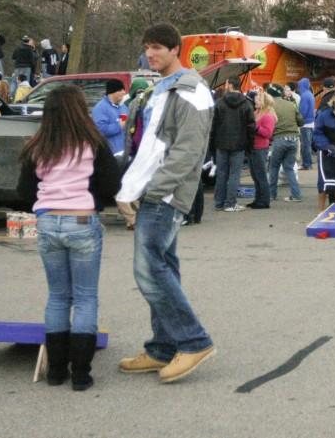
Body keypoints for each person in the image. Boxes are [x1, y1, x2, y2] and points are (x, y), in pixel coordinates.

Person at [115, 23, 216, 383]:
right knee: (163, 269)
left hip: (166, 194)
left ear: (176, 50)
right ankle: (162, 348)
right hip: (154, 191)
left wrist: (156, 189)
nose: (150, 53)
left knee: (149, 271)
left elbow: (188, 151)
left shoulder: (191, 91)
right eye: (147, 47)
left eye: (158, 47)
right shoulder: (163, 88)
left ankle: (194, 341)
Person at [17, 85, 122, 390]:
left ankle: (56, 371)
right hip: (82, 219)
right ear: (80, 110)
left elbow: (24, 192)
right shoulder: (93, 143)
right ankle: (81, 374)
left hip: (48, 220)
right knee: (86, 297)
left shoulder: (37, 145)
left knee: (58, 297)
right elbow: (111, 184)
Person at [210, 77, 255, 212]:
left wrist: (212, 144)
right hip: (239, 143)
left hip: (221, 143)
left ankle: (219, 203)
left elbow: (213, 125)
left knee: (222, 173)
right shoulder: (246, 103)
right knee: (234, 174)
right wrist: (249, 144)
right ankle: (230, 203)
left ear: (229, 85)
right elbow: (251, 126)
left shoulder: (219, 103)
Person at [266, 83, 304, 204]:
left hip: (279, 139)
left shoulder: (270, 106)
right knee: (289, 168)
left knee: (274, 167)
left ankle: (272, 194)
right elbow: (301, 121)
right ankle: (296, 195)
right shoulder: (291, 104)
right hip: (293, 139)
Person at [247, 90, 276, 209]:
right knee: (254, 174)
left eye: (258, 100)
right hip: (252, 146)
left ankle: (265, 200)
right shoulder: (256, 112)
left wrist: (256, 127)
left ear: (264, 102)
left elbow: (268, 133)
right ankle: (258, 198)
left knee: (261, 174)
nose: (255, 101)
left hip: (260, 147)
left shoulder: (268, 115)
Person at [92, 78, 129, 160]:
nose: (124, 92)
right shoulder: (100, 108)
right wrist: (119, 126)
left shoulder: (123, 107)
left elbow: (126, 122)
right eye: (120, 90)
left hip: (125, 153)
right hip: (111, 156)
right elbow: (100, 130)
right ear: (112, 92)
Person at [297, 77, 315, 170]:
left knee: (305, 145)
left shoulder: (304, 96)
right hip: (311, 122)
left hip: (305, 123)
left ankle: (306, 164)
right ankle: (308, 163)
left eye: (299, 85)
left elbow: (302, 111)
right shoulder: (310, 94)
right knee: (308, 144)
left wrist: (298, 120)